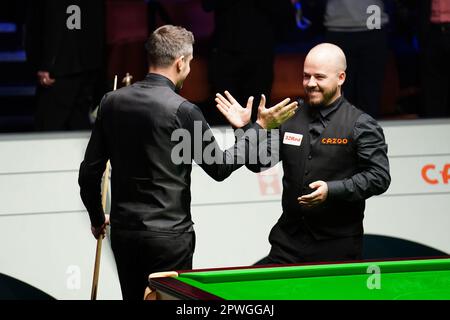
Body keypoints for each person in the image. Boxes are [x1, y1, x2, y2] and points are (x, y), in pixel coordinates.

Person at [78, 25, 297, 300]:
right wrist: (258, 128)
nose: (190, 69)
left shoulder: (111, 102)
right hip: (169, 239)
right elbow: (219, 168)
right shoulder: (183, 111)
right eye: (190, 63)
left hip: (124, 234)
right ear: (180, 62)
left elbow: (89, 174)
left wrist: (97, 219)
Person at [216, 43, 391, 264]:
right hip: (287, 245)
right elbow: (258, 162)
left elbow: (380, 177)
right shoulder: (288, 116)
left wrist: (332, 189)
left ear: (341, 78)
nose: (311, 84)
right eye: (306, 76)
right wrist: (244, 128)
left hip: (338, 248)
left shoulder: (361, 124)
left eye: (319, 77)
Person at [202, 0, 295, 123]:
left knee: (257, 113)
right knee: (224, 112)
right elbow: (207, 5)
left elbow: (284, 12)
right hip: (225, 52)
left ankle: (253, 140)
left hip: (259, 53)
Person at [25, 0, 105, 131]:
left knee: (49, 129)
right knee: (78, 127)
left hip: (60, 68)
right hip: (87, 64)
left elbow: (52, 21)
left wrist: (46, 64)